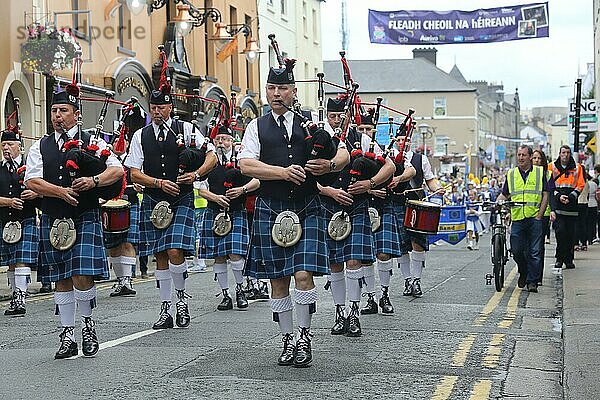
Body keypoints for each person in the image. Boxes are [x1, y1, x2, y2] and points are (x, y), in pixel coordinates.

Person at [239, 61, 349, 368]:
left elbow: (344, 152)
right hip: (271, 207)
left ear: (293, 91)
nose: (276, 94)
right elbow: (246, 165)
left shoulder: (312, 123)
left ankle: (303, 337)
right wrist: (282, 172)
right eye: (271, 88)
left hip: (307, 206)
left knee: (303, 274)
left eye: (282, 88)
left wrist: (330, 166)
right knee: (278, 281)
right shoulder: (255, 127)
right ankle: (286, 339)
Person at [25, 90, 124, 358]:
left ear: (76, 115)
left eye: (63, 111)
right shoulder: (40, 146)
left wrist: (93, 181)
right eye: (54, 111)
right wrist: (60, 192)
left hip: (85, 215)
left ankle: (88, 326)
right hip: (54, 217)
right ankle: (67, 335)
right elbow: (32, 181)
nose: (58, 116)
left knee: (82, 274)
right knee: (61, 278)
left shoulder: (93, 140)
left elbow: (117, 170)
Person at [125, 89, 217, 329]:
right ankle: (165, 308)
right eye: (153, 107)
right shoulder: (140, 135)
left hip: (181, 198)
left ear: (170, 108)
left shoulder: (186, 129)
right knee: (161, 255)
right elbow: (133, 171)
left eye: (161, 107)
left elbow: (212, 156)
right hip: (155, 201)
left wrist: (196, 174)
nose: (157, 111)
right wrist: (157, 183)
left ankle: (181, 299)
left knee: (175, 250)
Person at [319, 97, 392, 336]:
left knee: (353, 262)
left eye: (341, 115)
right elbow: (308, 174)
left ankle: (354, 313)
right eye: (333, 116)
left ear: (348, 116)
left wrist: (369, 184)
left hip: (356, 205)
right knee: (334, 264)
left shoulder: (362, 139)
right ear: (327, 116)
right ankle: (340, 313)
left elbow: (389, 167)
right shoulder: (319, 137)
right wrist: (329, 190)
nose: (337, 120)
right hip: (328, 206)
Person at [198, 125, 259, 310]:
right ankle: (225, 295)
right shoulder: (209, 162)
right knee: (218, 256)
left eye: (225, 139)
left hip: (237, 210)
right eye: (218, 140)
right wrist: (216, 197)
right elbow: (200, 188)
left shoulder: (242, 159)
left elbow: (257, 180)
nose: (221, 143)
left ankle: (240, 289)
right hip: (214, 211)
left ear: (232, 141)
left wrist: (242, 190)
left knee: (235, 254)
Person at [353, 110, 408, 316]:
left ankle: (384, 294)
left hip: (382, 206)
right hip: (362, 207)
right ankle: (369, 297)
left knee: (383, 254)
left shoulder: (383, 150)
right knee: (365, 258)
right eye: (362, 129)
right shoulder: (352, 148)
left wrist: (380, 183)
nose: (365, 132)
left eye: (368, 129)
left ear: (374, 130)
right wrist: (367, 189)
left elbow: (398, 169)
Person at [393, 133, 444, 298]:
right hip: (398, 203)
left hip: (417, 205)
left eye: (405, 140)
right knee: (401, 245)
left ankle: (416, 281)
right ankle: (407, 280)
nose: (402, 143)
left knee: (417, 243)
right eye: (399, 140)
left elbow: (430, 180)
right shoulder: (391, 157)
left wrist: (437, 188)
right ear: (395, 141)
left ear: (410, 141)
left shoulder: (420, 159)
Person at [498, 145, 548, 292]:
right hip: (518, 218)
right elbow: (505, 194)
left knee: (535, 251)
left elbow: (546, 194)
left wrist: (540, 215)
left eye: (524, 155)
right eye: (519, 155)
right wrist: (498, 202)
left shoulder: (539, 172)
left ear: (530, 157)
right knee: (516, 249)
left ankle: (532, 281)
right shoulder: (511, 174)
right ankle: (524, 270)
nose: (520, 157)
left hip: (534, 218)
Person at [0, 129, 40, 316]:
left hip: (26, 218)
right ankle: (15, 296)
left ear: (19, 147)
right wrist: (7, 201)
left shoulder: (30, 167)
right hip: (5, 220)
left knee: (21, 259)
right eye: (3, 145)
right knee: (11, 262)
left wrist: (36, 193)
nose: (6, 148)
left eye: (10, 145)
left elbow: (44, 187)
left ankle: (20, 297)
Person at [105, 132, 141, 297]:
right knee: (113, 244)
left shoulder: (133, 160)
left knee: (128, 242)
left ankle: (127, 280)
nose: (120, 144)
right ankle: (120, 280)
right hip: (108, 205)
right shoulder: (105, 160)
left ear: (127, 143)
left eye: (123, 141)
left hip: (130, 203)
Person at [548, 145, 585, 269]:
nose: (566, 155)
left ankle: (569, 259)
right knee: (560, 233)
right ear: (559, 154)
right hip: (558, 205)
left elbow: (580, 184)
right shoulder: (551, 167)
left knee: (570, 235)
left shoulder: (578, 168)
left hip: (572, 206)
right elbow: (549, 185)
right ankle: (559, 258)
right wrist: (558, 196)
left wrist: (571, 197)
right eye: (563, 152)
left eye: (568, 152)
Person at [532, 149, 552, 284]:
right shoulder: (526, 174)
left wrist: (552, 210)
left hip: (543, 215)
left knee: (538, 246)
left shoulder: (548, 174)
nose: (537, 161)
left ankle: (537, 276)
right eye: (534, 158)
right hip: (528, 213)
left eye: (539, 158)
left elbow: (550, 194)